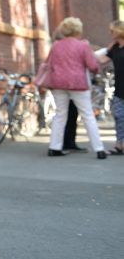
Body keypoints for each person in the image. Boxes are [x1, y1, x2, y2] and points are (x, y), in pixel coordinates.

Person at [46, 17, 107, 159]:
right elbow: (92, 66)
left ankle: (54, 147)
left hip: (58, 83)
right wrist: (96, 69)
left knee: (60, 114)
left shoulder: (55, 45)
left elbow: (50, 64)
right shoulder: (83, 46)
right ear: (78, 30)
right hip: (78, 84)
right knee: (87, 115)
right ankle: (99, 149)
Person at [52, 29, 84, 152]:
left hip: (60, 85)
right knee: (66, 114)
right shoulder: (62, 48)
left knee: (66, 114)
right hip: (71, 84)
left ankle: (64, 143)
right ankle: (65, 143)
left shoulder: (56, 47)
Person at [95, 20, 124, 155]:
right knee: (118, 116)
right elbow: (101, 60)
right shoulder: (115, 48)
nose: (110, 33)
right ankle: (119, 145)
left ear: (119, 31)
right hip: (119, 88)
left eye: (112, 31)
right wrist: (107, 49)